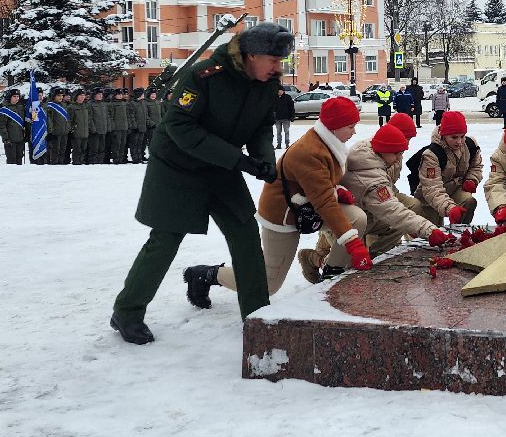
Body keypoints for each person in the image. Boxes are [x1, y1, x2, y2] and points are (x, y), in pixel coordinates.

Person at [110, 21, 292, 345]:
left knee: (245, 234)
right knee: (166, 239)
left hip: (221, 167)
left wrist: (263, 159)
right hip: (177, 166)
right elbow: (180, 127)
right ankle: (127, 312)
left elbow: (262, 127)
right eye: (274, 60)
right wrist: (238, 160)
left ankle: (257, 316)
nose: (279, 67)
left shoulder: (266, 83)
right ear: (251, 55)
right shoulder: (205, 75)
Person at [184, 96, 368, 302]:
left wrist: (337, 190)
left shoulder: (330, 143)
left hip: (307, 207)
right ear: (334, 126)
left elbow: (323, 186)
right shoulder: (310, 152)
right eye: (350, 126)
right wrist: (353, 244)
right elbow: (324, 202)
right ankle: (206, 275)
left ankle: (331, 274)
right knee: (268, 283)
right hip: (283, 215)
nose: (354, 132)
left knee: (356, 218)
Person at [339, 121, 451, 258]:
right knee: (348, 264)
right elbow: (392, 211)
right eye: (397, 153)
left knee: (398, 223)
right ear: (384, 149)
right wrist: (428, 230)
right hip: (347, 224)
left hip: (363, 211)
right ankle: (327, 260)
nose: (399, 158)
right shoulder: (372, 177)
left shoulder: (371, 150)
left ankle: (375, 257)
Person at [408, 111, 481, 226]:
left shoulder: (470, 145)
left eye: (462, 136)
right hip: (430, 197)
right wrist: (449, 208)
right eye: (454, 137)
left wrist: (471, 179)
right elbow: (432, 188)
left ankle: (460, 231)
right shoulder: (432, 155)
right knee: (433, 230)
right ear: (443, 135)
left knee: (468, 201)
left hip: (454, 189)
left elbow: (476, 166)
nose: (459, 141)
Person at [0, 88, 27, 165]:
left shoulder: (21, 108)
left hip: (20, 140)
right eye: (14, 96)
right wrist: (6, 139)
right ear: (9, 97)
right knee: (12, 162)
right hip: (10, 140)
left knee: (19, 161)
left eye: (17, 96)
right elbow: (1, 126)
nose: (16, 98)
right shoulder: (4, 110)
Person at [44, 87, 71, 165]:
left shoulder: (64, 105)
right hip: (55, 133)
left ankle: (61, 164)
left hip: (64, 132)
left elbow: (67, 119)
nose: (61, 97)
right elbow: (49, 120)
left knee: (62, 150)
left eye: (62, 95)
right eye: (58, 95)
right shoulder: (50, 106)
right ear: (54, 96)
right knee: (54, 151)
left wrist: (68, 129)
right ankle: (54, 165)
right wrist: (50, 132)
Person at [107, 86, 129, 164]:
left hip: (124, 127)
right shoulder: (111, 104)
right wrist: (113, 127)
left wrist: (128, 125)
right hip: (116, 128)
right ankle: (116, 158)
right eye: (118, 94)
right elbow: (110, 116)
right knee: (117, 144)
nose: (120, 96)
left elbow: (127, 115)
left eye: (121, 94)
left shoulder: (124, 103)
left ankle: (121, 158)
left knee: (123, 144)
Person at [87, 88, 109, 164]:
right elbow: (89, 118)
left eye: (101, 94)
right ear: (94, 95)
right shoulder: (90, 104)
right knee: (94, 148)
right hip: (95, 130)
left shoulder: (104, 104)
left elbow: (107, 116)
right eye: (98, 94)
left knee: (102, 147)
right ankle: (93, 162)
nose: (100, 96)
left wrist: (107, 127)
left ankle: (100, 161)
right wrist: (93, 128)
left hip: (103, 129)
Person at [70, 88, 91, 164]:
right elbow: (70, 120)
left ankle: (81, 161)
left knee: (83, 148)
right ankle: (76, 162)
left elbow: (89, 118)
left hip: (85, 131)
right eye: (80, 95)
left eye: (83, 95)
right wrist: (72, 129)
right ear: (76, 96)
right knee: (77, 149)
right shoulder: (72, 107)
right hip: (77, 132)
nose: (82, 97)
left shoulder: (86, 106)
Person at [127, 87, 148, 163]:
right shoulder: (132, 104)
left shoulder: (143, 103)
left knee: (140, 144)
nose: (143, 95)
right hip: (135, 128)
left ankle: (139, 157)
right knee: (134, 144)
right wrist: (134, 126)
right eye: (142, 94)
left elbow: (145, 115)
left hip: (142, 127)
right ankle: (135, 158)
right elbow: (131, 116)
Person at [144, 88, 162, 161]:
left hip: (159, 125)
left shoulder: (158, 102)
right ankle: (152, 156)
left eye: (154, 94)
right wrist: (151, 124)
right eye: (152, 94)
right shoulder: (146, 103)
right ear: (149, 95)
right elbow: (145, 115)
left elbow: (162, 114)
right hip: (151, 127)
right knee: (151, 142)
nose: (153, 96)